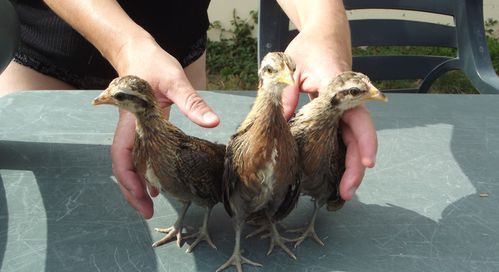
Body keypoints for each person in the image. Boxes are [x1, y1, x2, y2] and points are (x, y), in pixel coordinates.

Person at [0, 0, 377, 219]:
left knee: (188, 179)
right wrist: (125, 45)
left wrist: (325, 27)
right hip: (43, 70)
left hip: (175, 67)